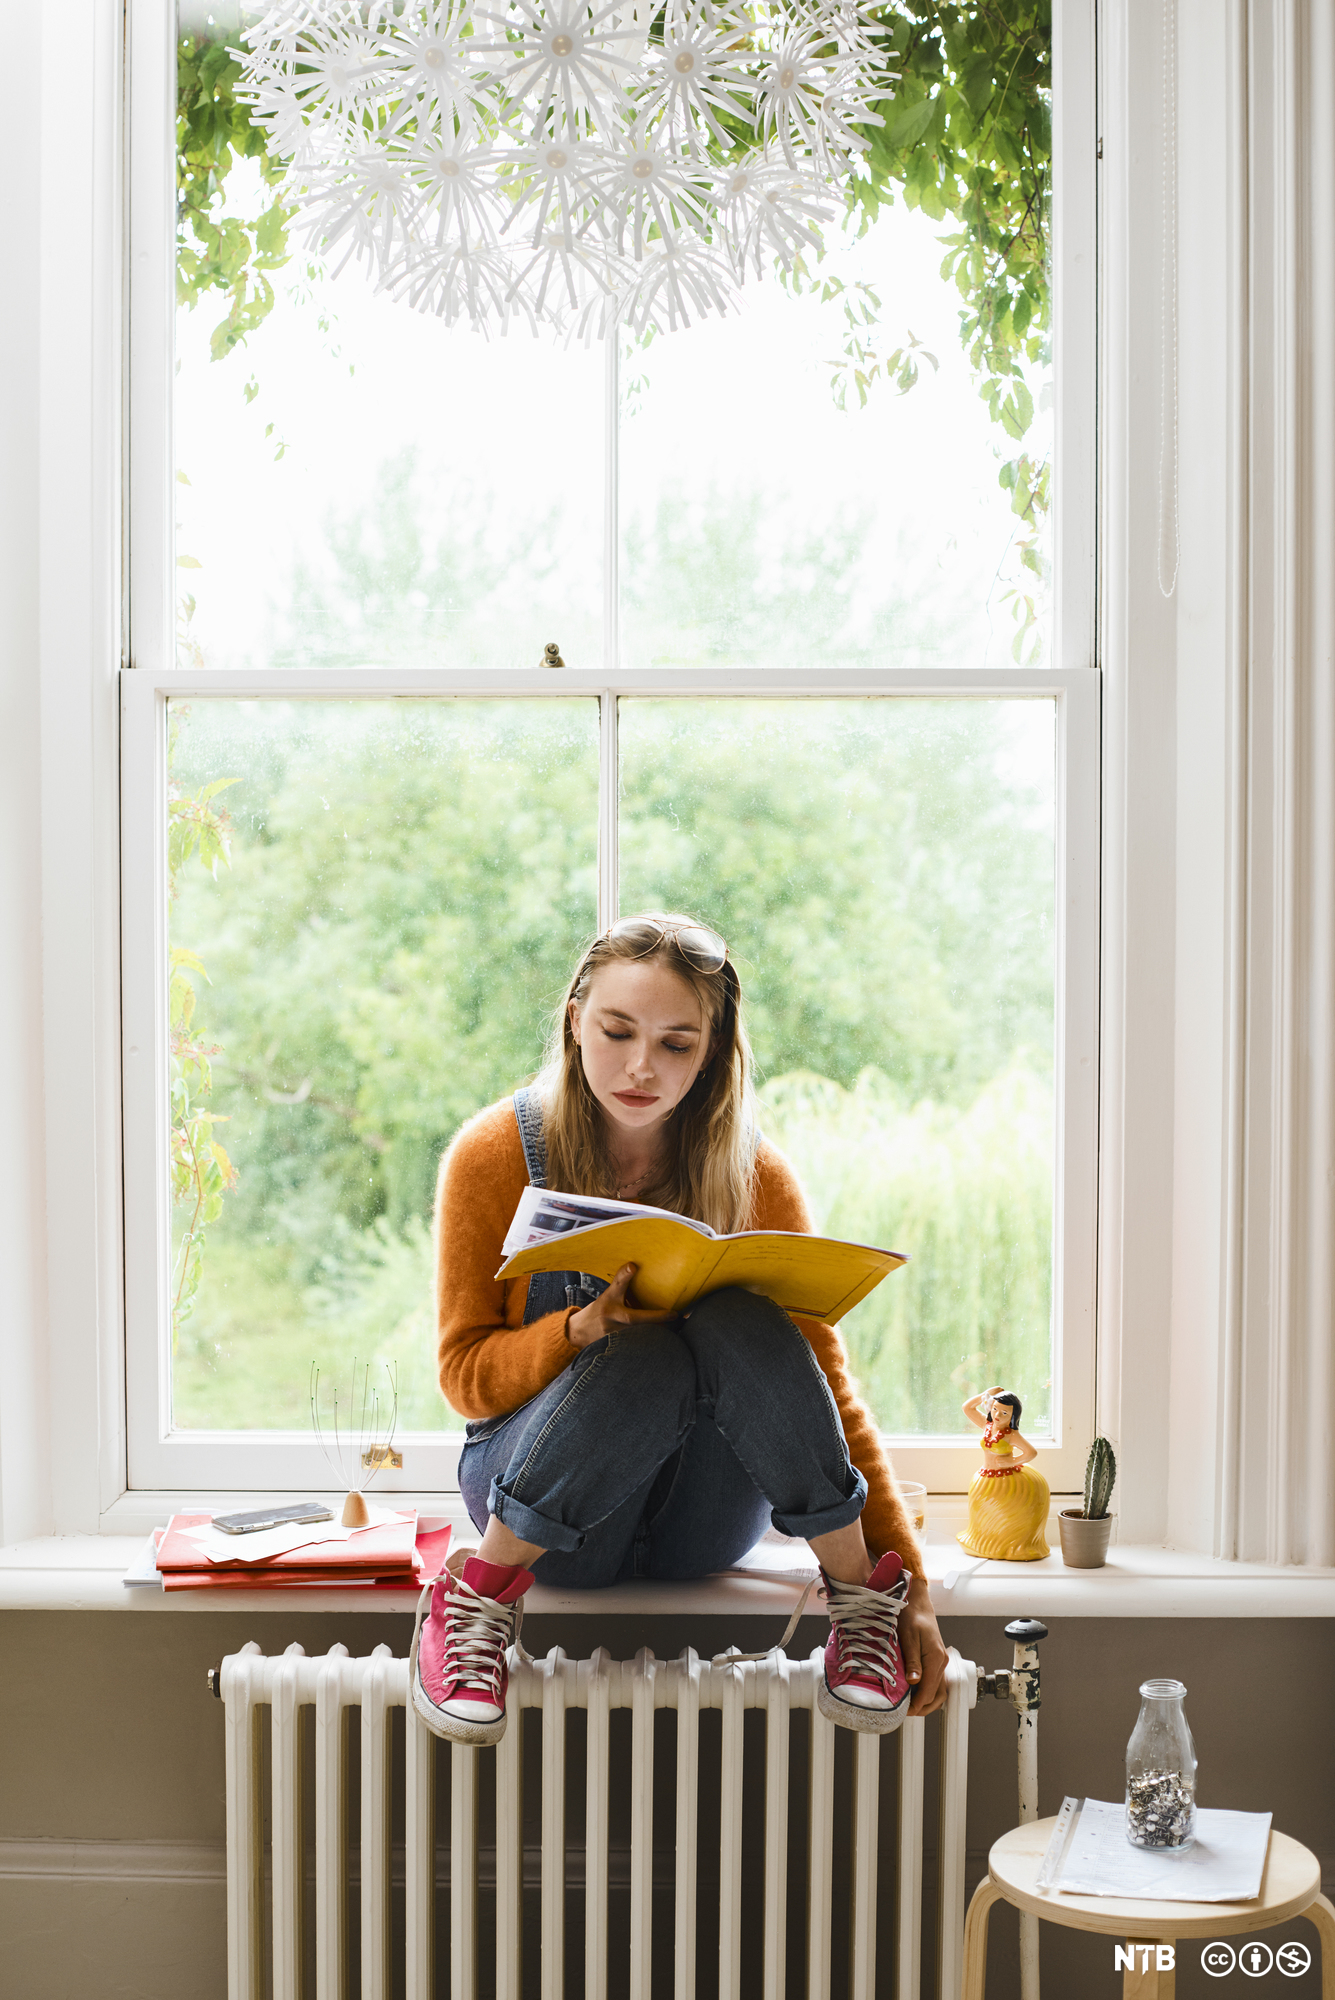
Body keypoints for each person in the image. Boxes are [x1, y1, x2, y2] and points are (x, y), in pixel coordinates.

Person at [410, 912, 949, 1745]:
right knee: (643, 1353)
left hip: (702, 1525)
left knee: (739, 1318)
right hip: (542, 1513)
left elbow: (820, 1387)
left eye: (676, 1044)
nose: (639, 1067)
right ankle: (475, 1600)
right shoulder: (495, 1155)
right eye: (617, 1031)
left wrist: (909, 1583)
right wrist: (578, 1331)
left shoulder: (754, 1172)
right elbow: (462, 1375)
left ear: (713, 1051)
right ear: (573, 1020)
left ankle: (859, 1605)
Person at [956, 1386, 1050, 1561]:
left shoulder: (1011, 1434)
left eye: (1005, 1413)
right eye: (995, 1409)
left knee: (1008, 1514)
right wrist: (987, 1393)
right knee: (984, 1513)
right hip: (986, 1476)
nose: (998, 1415)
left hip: (1006, 1479)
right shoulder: (987, 1424)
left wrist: (1011, 1461)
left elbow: (1031, 1452)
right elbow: (967, 1408)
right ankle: (984, 1543)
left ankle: (1013, 1545)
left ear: (1013, 1417)